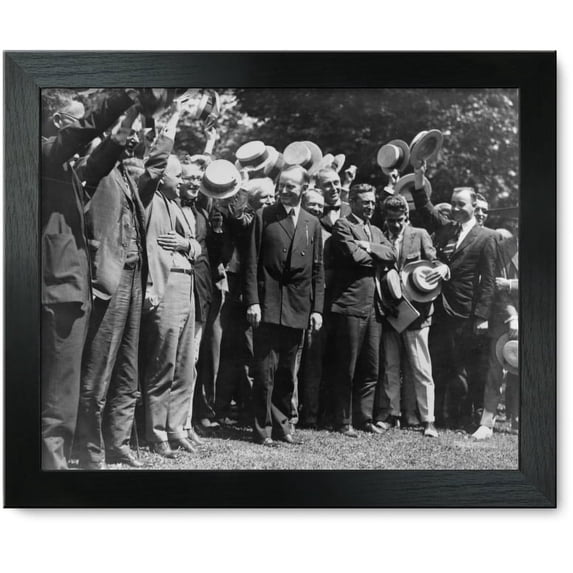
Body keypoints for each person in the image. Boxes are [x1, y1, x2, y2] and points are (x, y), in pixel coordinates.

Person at [41, 88, 142, 469]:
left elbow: (98, 163)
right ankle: (51, 470)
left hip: (69, 289)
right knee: (58, 394)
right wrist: (123, 97)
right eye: (77, 120)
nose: (85, 130)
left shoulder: (62, 167)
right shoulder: (41, 152)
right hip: (58, 291)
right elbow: (84, 132)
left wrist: (129, 118)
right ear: (58, 122)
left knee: (62, 392)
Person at [76, 105, 175, 469]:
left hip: (134, 278)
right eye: (127, 133)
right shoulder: (95, 168)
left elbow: (155, 169)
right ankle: (89, 450)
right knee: (98, 371)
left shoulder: (126, 175)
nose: (133, 139)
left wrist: (172, 122)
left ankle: (118, 445)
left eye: (135, 135)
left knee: (127, 370)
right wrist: (128, 117)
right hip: (110, 282)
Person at [411, 162, 496, 430]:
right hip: (438, 307)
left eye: (461, 204)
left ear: (474, 205)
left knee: (463, 369)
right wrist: (419, 176)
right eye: (453, 203)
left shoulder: (487, 237)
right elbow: (424, 208)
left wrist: (482, 316)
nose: (456, 208)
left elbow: (489, 281)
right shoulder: (447, 228)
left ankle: (463, 419)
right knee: (439, 364)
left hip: (465, 311)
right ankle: (437, 417)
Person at [244, 165, 325, 446]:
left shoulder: (312, 222)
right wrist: (253, 302)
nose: (285, 190)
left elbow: (317, 270)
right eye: (282, 185)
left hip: (298, 305)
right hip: (268, 304)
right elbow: (251, 263)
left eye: (291, 186)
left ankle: (282, 426)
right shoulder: (264, 216)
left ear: (304, 188)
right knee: (264, 372)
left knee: (287, 373)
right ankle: (262, 429)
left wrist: (317, 309)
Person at [140, 103, 202, 457]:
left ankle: (177, 427)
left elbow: (196, 246)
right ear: (163, 176)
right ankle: (156, 432)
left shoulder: (180, 205)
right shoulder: (152, 198)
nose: (184, 182)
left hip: (187, 285)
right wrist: (172, 121)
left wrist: (185, 244)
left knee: (184, 363)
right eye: (178, 176)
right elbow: (156, 160)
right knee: (162, 362)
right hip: (167, 288)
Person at [374, 196, 447, 438]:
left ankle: (428, 420)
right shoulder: (380, 235)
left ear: (407, 216)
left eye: (400, 220)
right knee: (390, 366)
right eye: (391, 220)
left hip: (417, 314)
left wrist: (443, 268)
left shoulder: (420, 234)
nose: (395, 225)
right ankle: (391, 414)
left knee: (421, 368)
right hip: (390, 311)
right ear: (386, 218)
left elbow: (434, 261)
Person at [328, 183, 396, 436]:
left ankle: (364, 418)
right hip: (350, 304)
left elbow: (392, 254)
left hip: (374, 307)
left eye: (372, 202)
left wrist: (367, 246)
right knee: (347, 366)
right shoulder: (343, 225)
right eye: (365, 201)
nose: (370, 206)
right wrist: (376, 255)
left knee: (371, 367)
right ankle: (343, 420)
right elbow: (354, 257)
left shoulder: (375, 230)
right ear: (353, 201)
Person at [473, 212, 519, 439]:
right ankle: (486, 423)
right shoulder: (502, 247)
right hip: (504, 316)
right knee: (495, 369)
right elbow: (496, 286)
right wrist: (512, 315)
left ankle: (519, 420)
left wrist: (511, 284)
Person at [316, 167, 351, 233]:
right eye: (328, 185)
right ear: (318, 188)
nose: (334, 188)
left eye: (336, 183)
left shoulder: (352, 210)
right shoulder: (314, 212)